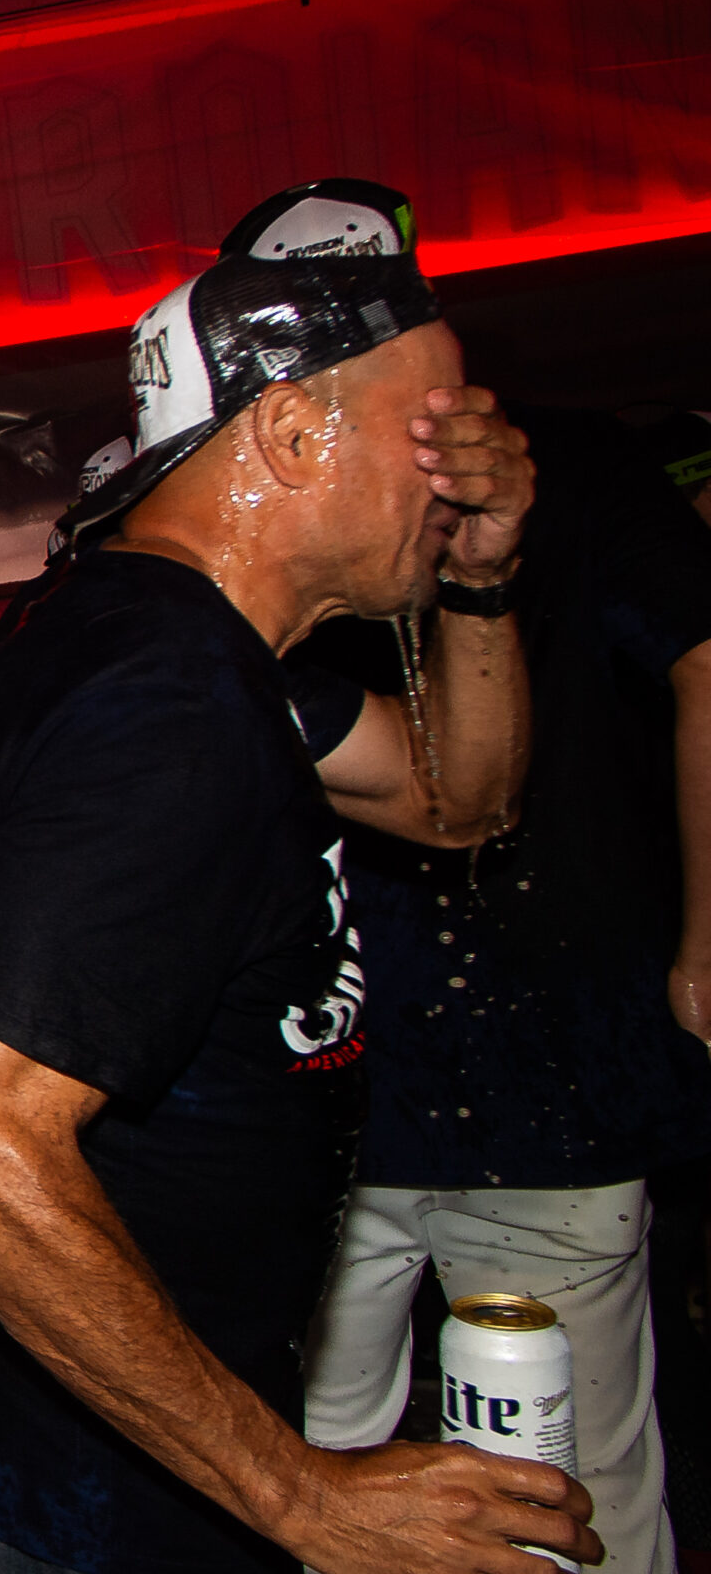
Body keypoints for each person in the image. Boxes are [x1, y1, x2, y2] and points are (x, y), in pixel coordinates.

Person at [0, 179, 601, 1574]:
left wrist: (481, 574)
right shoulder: (164, 707)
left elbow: (459, 800)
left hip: (123, 1442)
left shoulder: (196, 656)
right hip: (93, 1497)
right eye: (429, 435)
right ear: (287, 429)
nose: (453, 474)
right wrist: (299, 1497)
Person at [297, 403, 711, 1574]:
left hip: (476, 1054)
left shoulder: (555, 471)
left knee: (384, 1466)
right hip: (463, 1057)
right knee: (551, 1478)